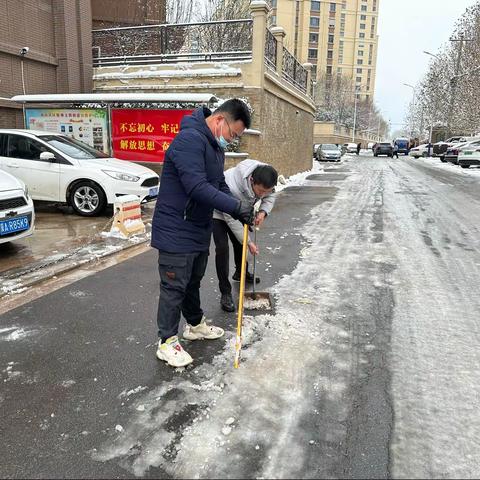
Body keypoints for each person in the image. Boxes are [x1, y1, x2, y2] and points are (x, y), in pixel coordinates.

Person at [151, 99, 254, 368]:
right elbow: (196, 186)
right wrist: (235, 206)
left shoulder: (213, 148)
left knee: (192, 281)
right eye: (233, 134)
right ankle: (167, 341)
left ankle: (194, 325)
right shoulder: (190, 140)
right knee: (174, 287)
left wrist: (240, 209)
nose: (231, 141)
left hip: (197, 227)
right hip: (177, 227)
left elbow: (218, 184)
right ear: (220, 120)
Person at [212, 160, 278, 312]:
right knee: (222, 248)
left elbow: (270, 195)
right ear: (252, 181)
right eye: (260, 191)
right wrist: (248, 241)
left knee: (240, 244)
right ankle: (225, 292)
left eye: (266, 191)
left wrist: (263, 212)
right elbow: (230, 218)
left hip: (241, 208)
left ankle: (242, 272)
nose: (262, 194)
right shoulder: (232, 186)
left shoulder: (266, 177)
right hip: (219, 211)